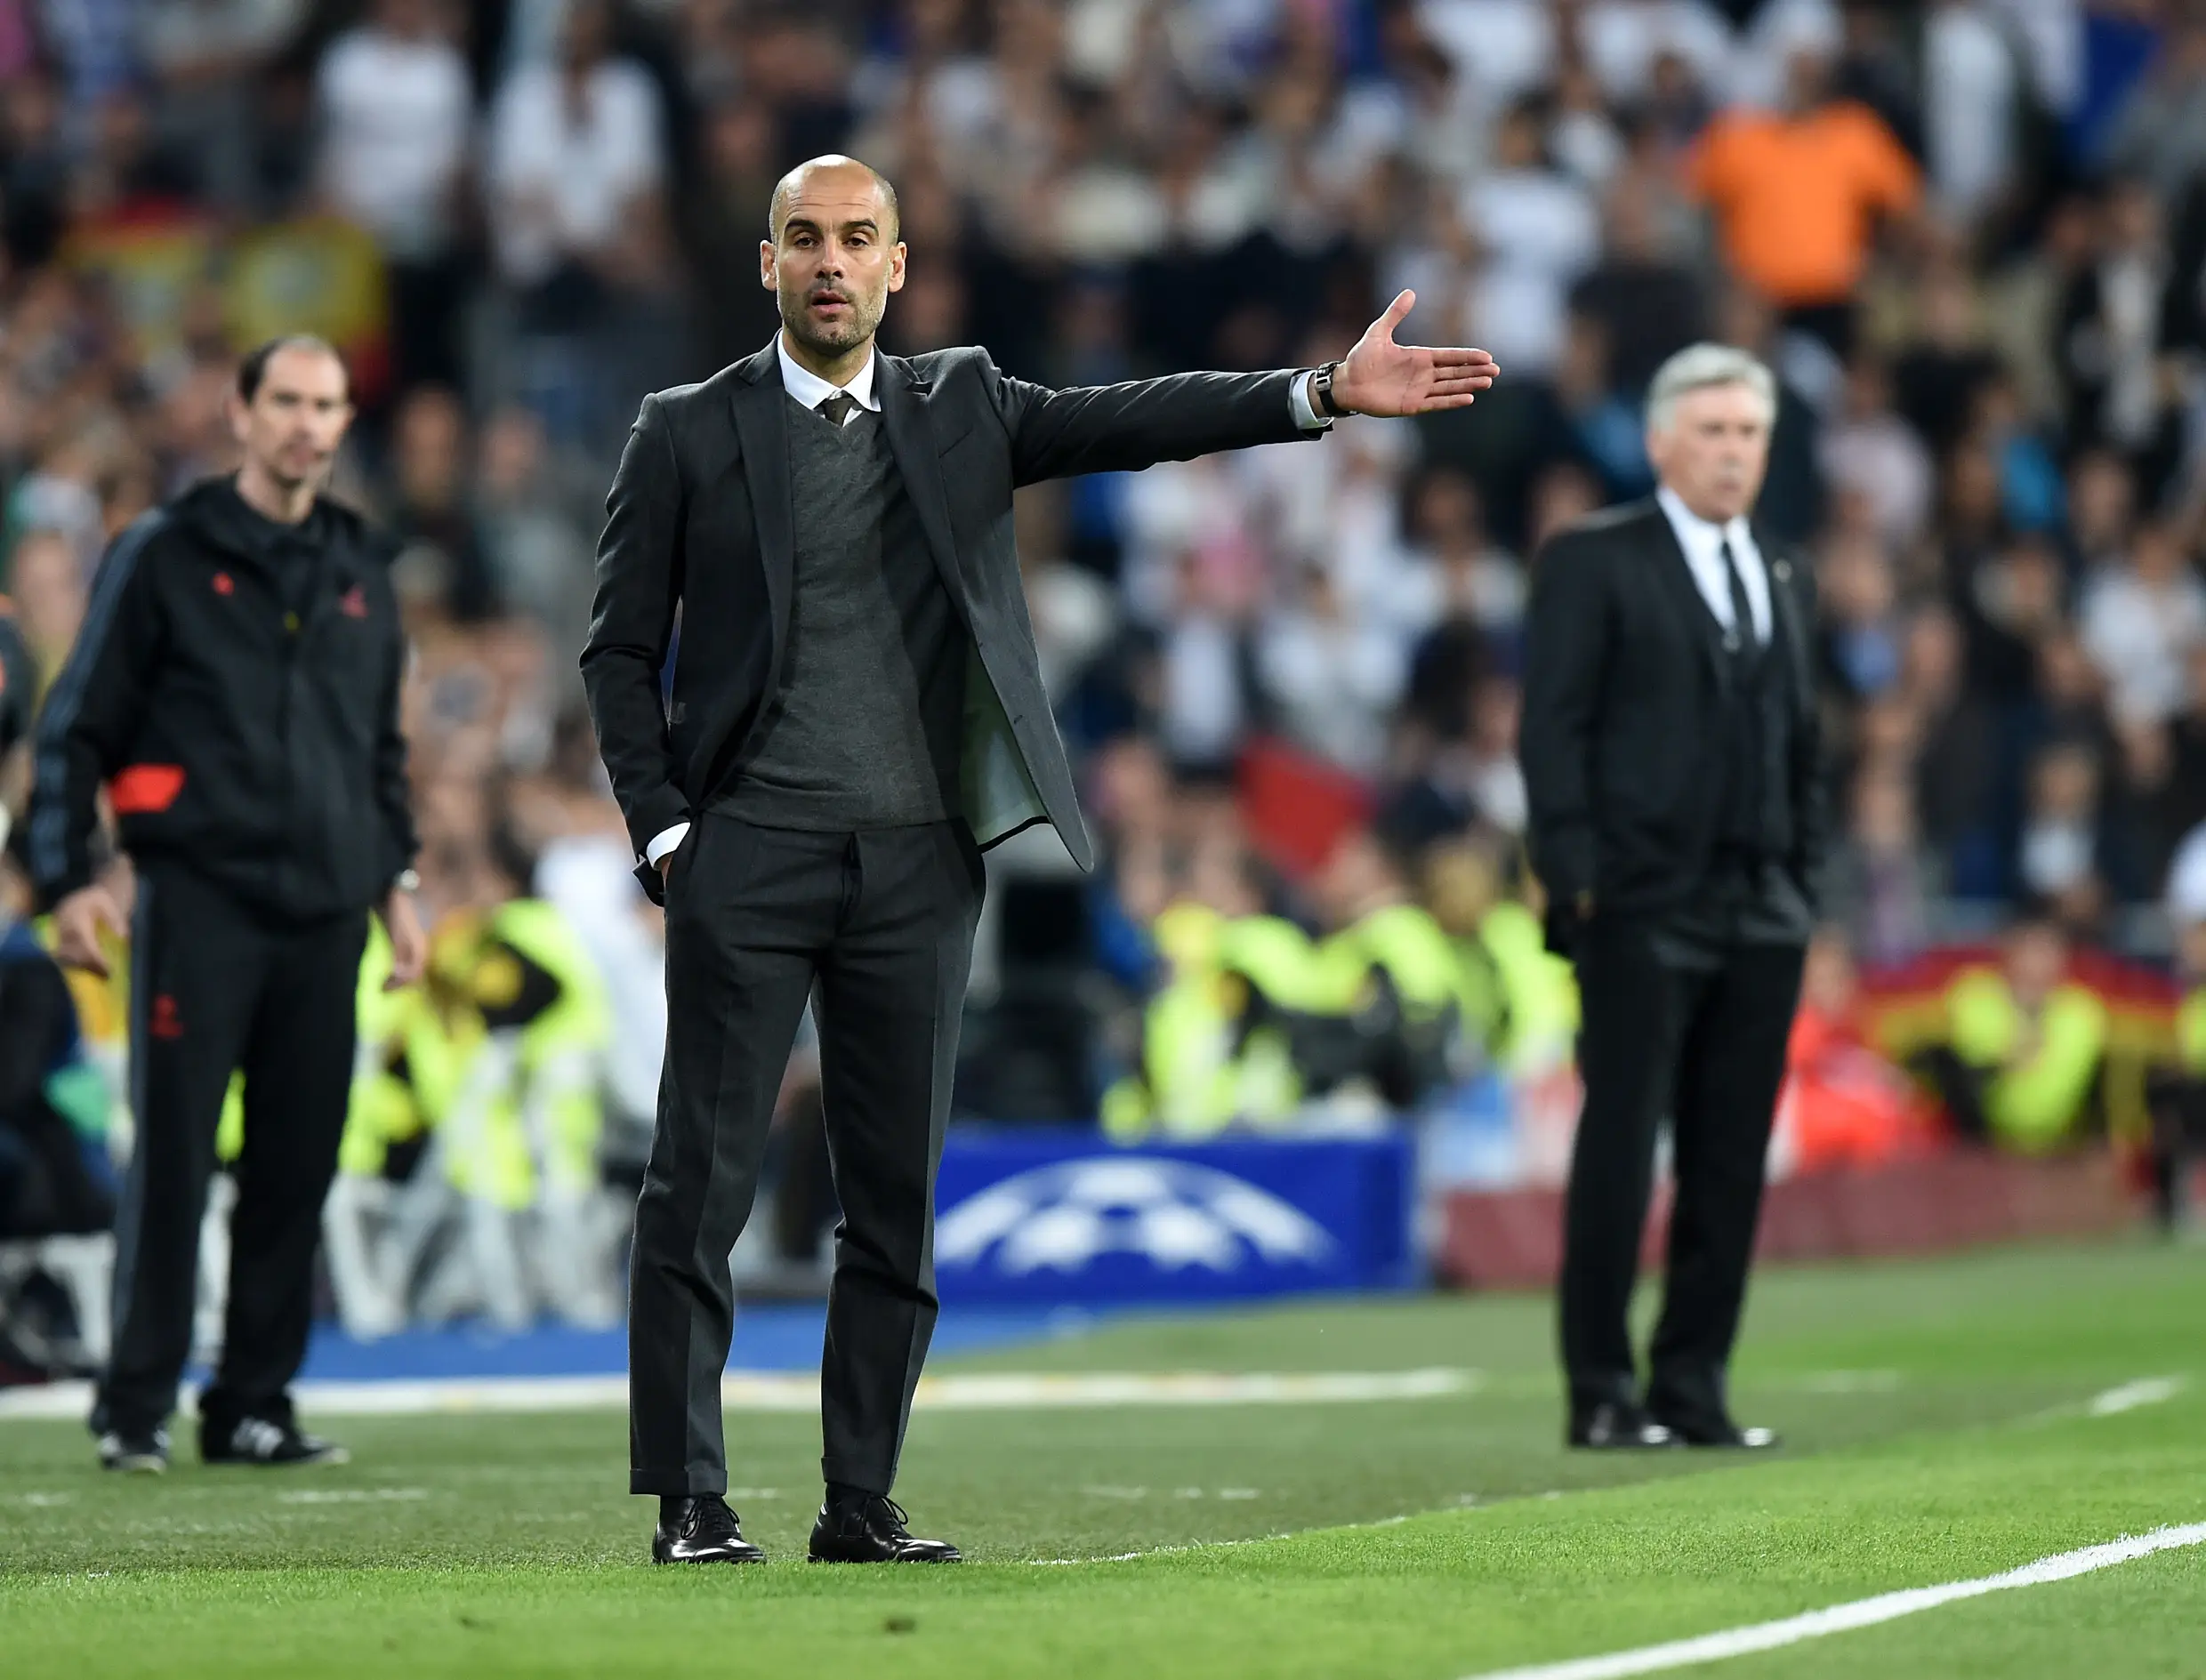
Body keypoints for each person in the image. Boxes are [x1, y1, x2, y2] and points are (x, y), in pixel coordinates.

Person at [583, 152, 1498, 1566]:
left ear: (898, 268)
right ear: (767, 264)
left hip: (917, 861)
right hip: (746, 853)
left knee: (894, 1197)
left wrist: (1316, 393)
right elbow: (618, 648)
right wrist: (667, 833)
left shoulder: (962, 404)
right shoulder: (687, 427)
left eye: (859, 240)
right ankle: (691, 1498)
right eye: (805, 239)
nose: (831, 263)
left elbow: (1133, 421)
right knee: (699, 1182)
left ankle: (857, 1498)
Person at [22, 335, 427, 1474]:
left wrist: (397, 886)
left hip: (325, 909)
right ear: (239, 414)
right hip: (198, 901)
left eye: (327, 405)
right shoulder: (162, 551)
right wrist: (63, 879)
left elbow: (378, 754)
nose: (307, 424)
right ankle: (134, 1404)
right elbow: (78, 724)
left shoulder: (359, 564)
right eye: (286, 402)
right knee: (176, 1159)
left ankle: (253, 1401)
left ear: (346, 424)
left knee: (298, 1164)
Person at [1521, 342, 1826, 1452]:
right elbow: (1549, 731)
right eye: (1711, 431)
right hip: (1638, 906)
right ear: (1657, 443)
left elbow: (1803, 743)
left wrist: (1802, 881)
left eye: (1747, 432)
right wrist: (1581, 883)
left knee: (1729, 1153)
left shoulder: (1786, 571)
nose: (1732, 451)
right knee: (1619, 1145)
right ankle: (1599, 1388)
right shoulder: (1593, 559)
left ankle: (1692, 1383)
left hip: (1759, 906)